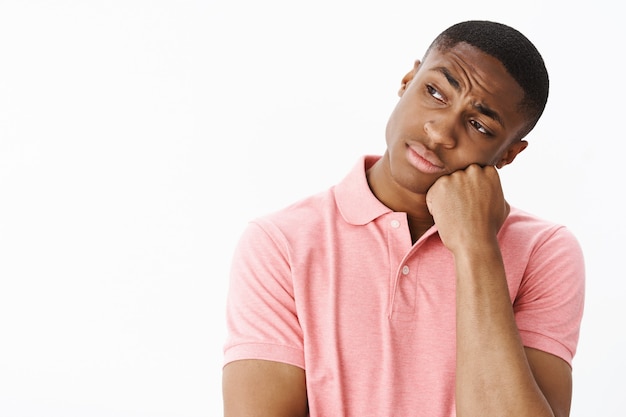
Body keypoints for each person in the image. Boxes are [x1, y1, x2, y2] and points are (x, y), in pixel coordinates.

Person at [222, 20, 585, 417]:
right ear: (408, 79)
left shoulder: (544, 252)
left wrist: (476, 248)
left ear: (509, 154)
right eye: (435, 92)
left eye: (479, 125)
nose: (441, 132)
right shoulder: (281, 243)